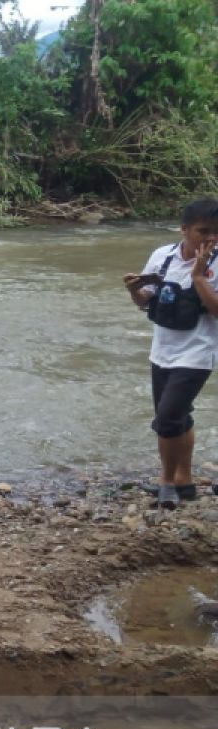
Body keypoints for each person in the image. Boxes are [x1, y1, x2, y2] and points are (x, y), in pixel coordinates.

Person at [124, 198, 218, 509]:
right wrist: (134, 289)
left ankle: (165, 480)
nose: (210, 239)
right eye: (203, 232)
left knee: (166, 419)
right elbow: (146, 302)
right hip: (162, 351)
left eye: (216, 233)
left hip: (198, 353)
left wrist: (200, 276)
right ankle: (185, 481)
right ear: (184, 229)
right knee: (180, 416)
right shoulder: (162, 257)